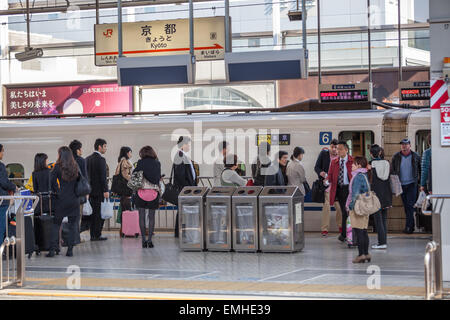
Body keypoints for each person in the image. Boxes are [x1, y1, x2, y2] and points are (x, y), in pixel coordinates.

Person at [46, 146, 80, 257]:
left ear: (60, 155)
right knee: (72, 225)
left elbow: (51, 181)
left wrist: (58, 191)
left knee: (56, 225)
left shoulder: (58, 167)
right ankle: (70, 250)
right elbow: (80, 181)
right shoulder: (75, 166)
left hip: (61, 199)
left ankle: (52, 250)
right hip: (74, 199)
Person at [133, 146, 161, 248]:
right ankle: (150, 240)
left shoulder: (140, 163)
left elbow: (134, 175)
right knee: (151, 217)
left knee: (141, 217)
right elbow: (157, 178)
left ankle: (143, 241)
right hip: (153, 193)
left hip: (141, 192)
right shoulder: (157, 163)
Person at [391, 138, 421, 234]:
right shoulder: (396, 156)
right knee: (406, 206)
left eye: (406, 144)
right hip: (401, 185)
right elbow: (393, 170)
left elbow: (420, 169)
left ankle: (409, 227)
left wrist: (420, 183)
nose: (404, 146)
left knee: (410, 205)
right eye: (402, 144)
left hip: (412, 184)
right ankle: (411, 226)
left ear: (410, 145)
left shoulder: (415, 156)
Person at [314, 139, 342, 237]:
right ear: (330, 146)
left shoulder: (341, 156)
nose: (334, 149)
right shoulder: (324, 154)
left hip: (337, 187)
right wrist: (321, 173)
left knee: (339, 208)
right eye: (332, 147)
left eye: (336, 147)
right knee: (326, 208)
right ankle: (325, 229)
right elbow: (316, 167)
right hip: (327, 186)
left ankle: (341, 226)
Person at [327, 141, 353, 243]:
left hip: (350, 189)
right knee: (344, 212)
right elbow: (330, 175)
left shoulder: (352, 160)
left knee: (349, 212)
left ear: (346, 150)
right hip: (340, 189)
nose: (338, 151)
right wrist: (327, 180)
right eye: (337, 149)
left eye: (340, 149)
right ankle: (345, 234)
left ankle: (347, 234)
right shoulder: (334, 161)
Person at [346, 156, 371, 263]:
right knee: (364, 231)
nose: (352, 165)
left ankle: (361, 255)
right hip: (365, 207)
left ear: (359, 165)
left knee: (359, 232)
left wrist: (350, 207)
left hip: (358, 208)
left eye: (354, 164)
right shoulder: (364, 175)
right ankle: (366, 254)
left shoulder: (357, 177)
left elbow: (355, 194)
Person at [173, 136, 197, 238]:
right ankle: (180, 232)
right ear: (183, 145)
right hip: (185, 189)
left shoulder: (183, 155)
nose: (189, 146)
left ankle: (181, 231)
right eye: (188, 144)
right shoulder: (179, 155)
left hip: (187, 189)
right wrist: (187, 187)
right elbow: (180, 174)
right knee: (182, 210)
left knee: (183, 210)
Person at [369, 145, 392, 249]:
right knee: (383, 219)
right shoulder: (387, 163)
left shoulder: (370, 165)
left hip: (376, 195)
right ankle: (384, 241)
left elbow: (370, 181)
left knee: (378, 220)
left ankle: (381, 242)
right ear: (379, 153)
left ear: (370, 154)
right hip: (386, 195)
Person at [86, 138, 109, 241]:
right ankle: (97, 234)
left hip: (89, 191)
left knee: (93, 213)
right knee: (98, 214)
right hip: (99, 191)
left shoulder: (87, 159)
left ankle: (92, 234)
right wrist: (106, 190)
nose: (106, 149)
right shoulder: (101, 160)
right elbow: (103, 177)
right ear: (99, 147)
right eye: (105, 146)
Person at [69, 140, 87, 240]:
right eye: (81, 149)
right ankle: (76, 237)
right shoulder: (81, 160)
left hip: (68, 193)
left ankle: (69, 236)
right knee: (78, 215)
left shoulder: (67, 161)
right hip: (79, 193)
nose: (81, 151)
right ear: (77, 150)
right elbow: (84, 177)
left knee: (70, 217)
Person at [0, 144, 18, 241]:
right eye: (2, 151)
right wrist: (14, 187)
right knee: (1, 227)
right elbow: (4, 182)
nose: (3, 153)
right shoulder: (1, 166)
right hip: (2, 201)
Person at [115, 146, 133, 211]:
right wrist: (133, 180)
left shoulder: (121, 161)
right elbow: (125, 175)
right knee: (126, 206)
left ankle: (125, 219)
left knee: (124, 206)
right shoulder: (125, 161)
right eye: (131, 152)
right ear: (127, 153)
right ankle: (126, 220)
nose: (131, 154)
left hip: (123, 187)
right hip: (125, 187)